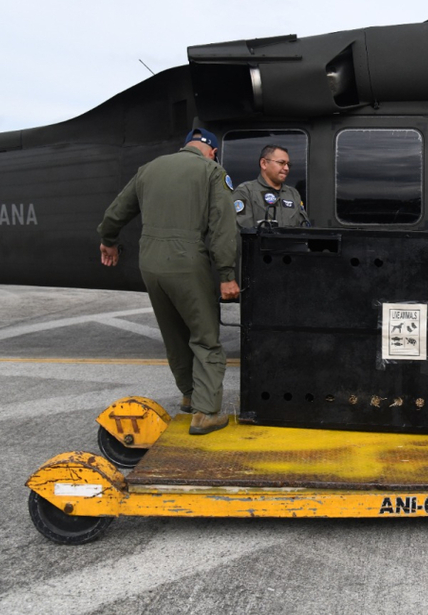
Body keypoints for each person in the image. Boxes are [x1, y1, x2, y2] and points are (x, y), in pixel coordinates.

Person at [97, 127, 239, 436]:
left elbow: (116, 212)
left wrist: (108, 240)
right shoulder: (212, 171)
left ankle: (189, 396)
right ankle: (206, 412)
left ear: (185, 146)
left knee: (174, 333)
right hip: (187, 260)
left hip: (150, 263)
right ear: (212, 151)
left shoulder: (149, 169)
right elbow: (223, 227)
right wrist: (227, 275)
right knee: (205, 337)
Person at [233, 144, 310, 229]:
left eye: (288, 164)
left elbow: (304, 228)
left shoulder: (293, 194)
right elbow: (243, 232)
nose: (286, 168)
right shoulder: (246, 191)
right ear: (264, 163)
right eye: (281, 163)